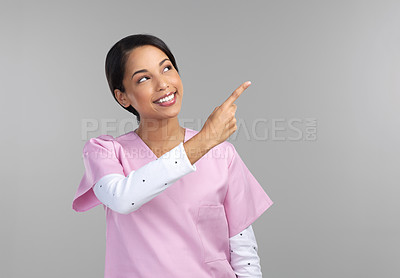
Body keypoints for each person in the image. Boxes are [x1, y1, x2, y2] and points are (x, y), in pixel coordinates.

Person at [72, 34, 273, 278]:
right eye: (144, 78)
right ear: (122, 97)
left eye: (166, 68)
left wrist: (209, 142)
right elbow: (123, 198)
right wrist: (205, 140)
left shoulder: (222, 155)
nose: (163, 84)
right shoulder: (105, 151)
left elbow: (244, 253)